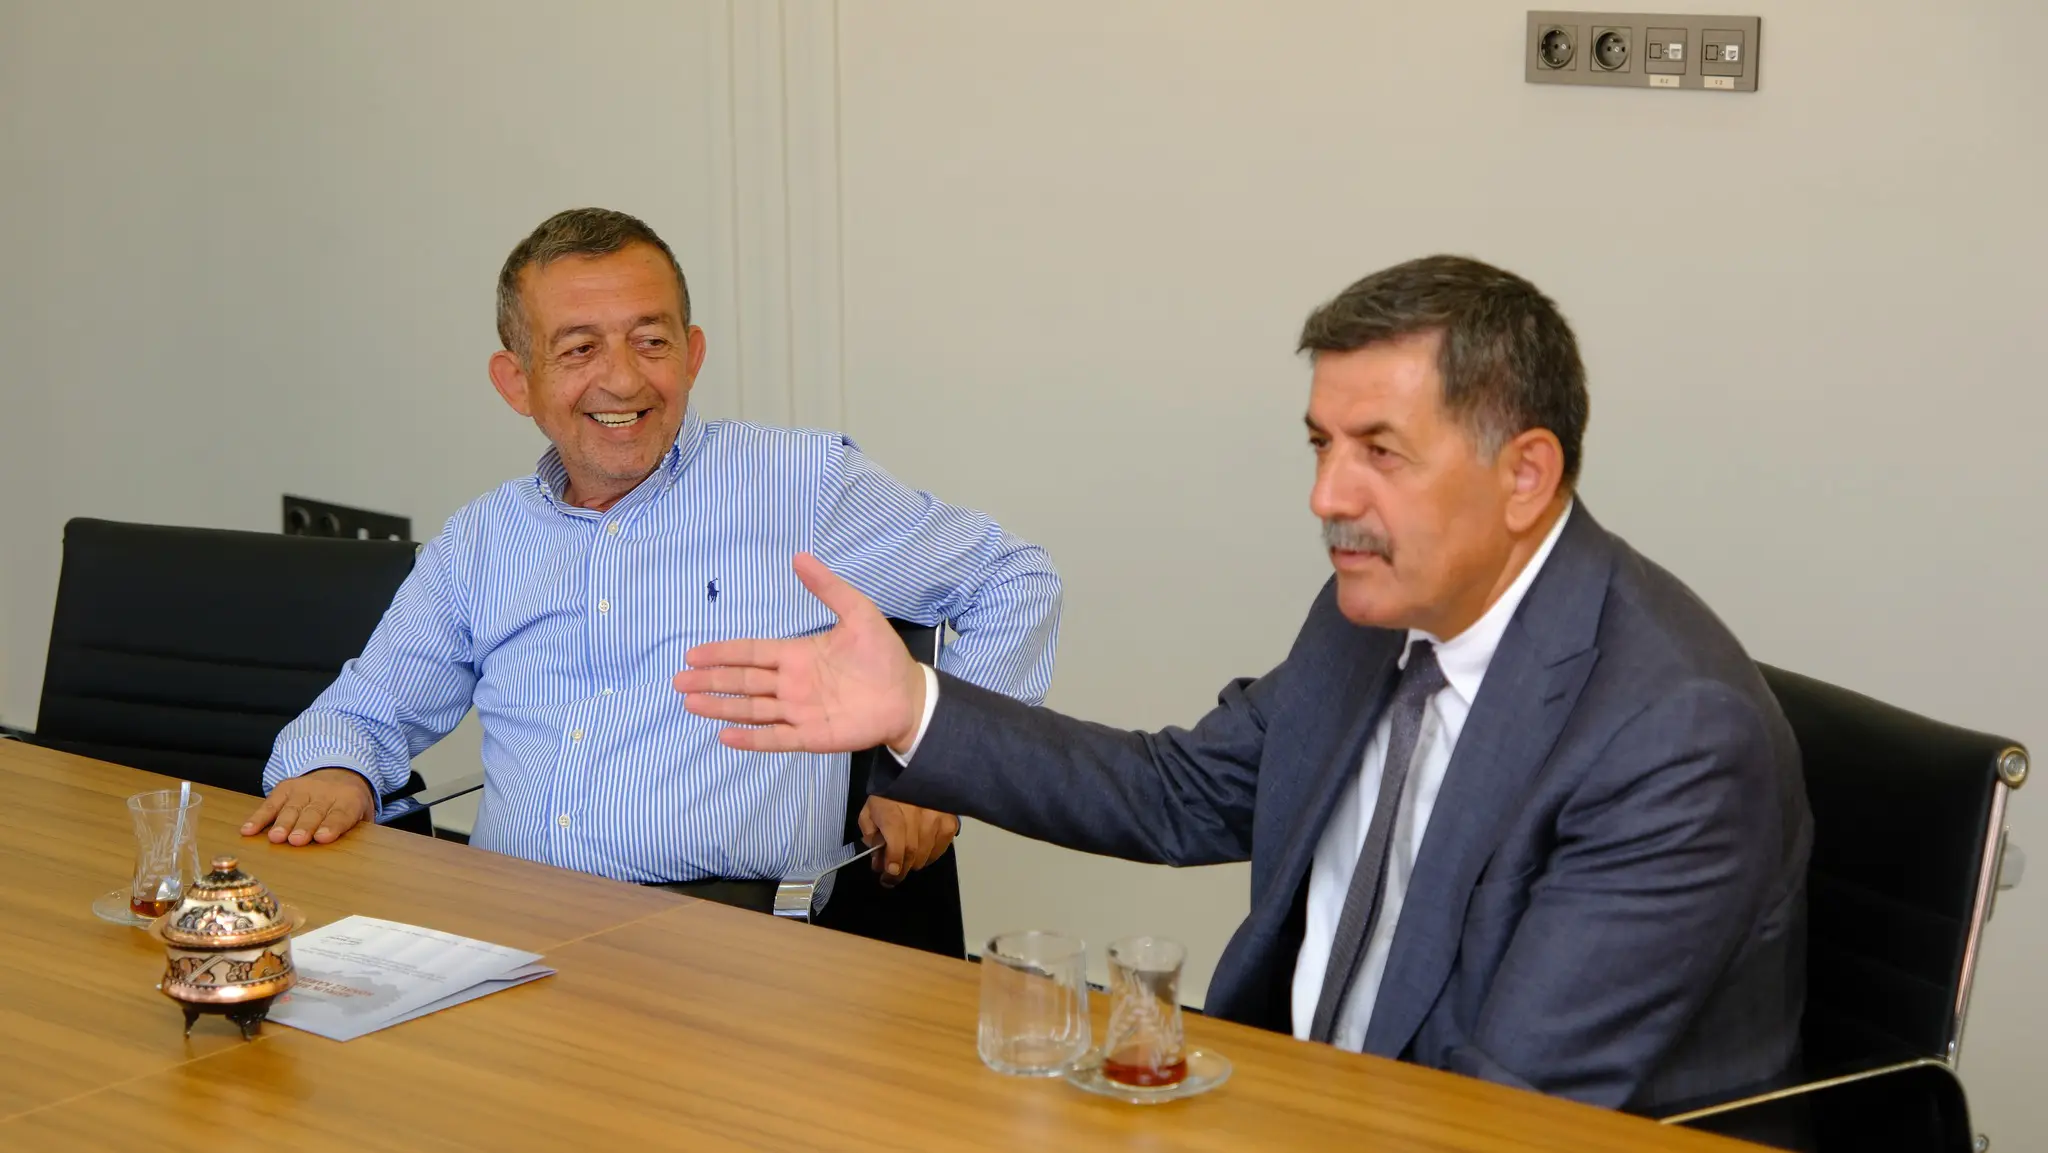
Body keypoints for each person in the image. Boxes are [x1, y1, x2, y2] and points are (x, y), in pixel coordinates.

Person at [675, 256, 1811, 1115]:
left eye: (1378, 451)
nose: (1327, 496)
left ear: (1524, 474)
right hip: (1297, 1105)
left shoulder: (1673, 741)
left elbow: (1504, 1111)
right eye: (1319, 444)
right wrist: (915, 707)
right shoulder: (1375, 615)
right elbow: (1177, 794)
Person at [243, 208, 1061, 911]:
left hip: (724, 937)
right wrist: (337, 768)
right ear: (515, 381)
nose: (624, 380)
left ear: (692, 353)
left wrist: (934, 765)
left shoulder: (800, 486)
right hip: (507, 923)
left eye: (651, 341)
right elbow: (365, 710)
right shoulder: (483, 539)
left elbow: (1015, 581)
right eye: (578, 349)